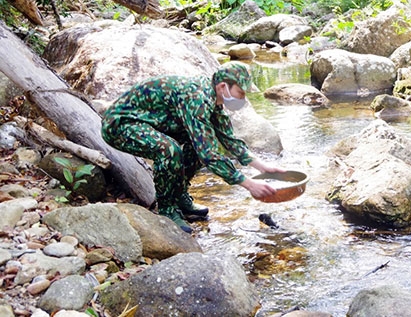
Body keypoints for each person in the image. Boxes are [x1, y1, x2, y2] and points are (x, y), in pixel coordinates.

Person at [101, 62, 284, 233]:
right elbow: (209, 155)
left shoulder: (214, 100)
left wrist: (263, 167)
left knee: (194, 144)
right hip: (120, 125)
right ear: (223, 87)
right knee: (169, 150)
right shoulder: (196, 99)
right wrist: (249, 184)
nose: (243, 98)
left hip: (152, 122)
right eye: (241, 92)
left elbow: (229, 140)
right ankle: (167, 208)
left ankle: (180, 196)